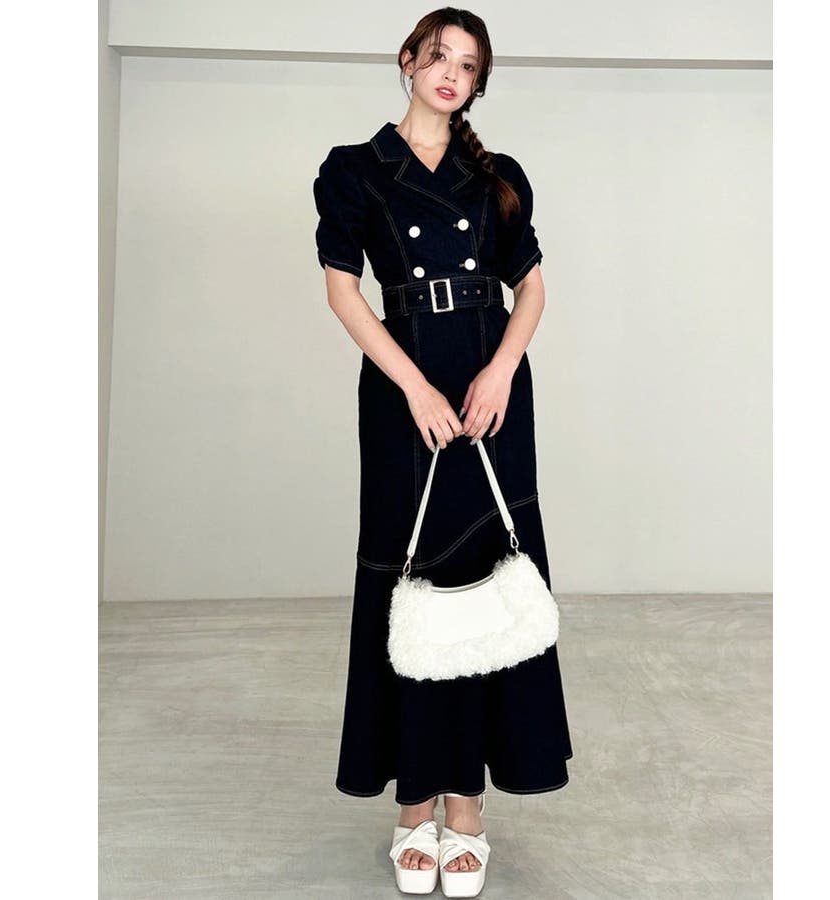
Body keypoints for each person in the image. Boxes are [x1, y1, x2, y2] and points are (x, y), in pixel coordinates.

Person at [312, 8, 573, 896]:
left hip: (491, 393)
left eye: (468, 65)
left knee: (489, 584)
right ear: (408, 61)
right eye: (439, 57)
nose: (452, 74)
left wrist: (501, 370)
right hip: (405, 390)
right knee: (408, 587)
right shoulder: (354, 169)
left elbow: (531, 287)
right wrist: (415, 388)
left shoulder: (498, 176)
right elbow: (343, 291)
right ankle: (412, 806)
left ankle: (467, 810)